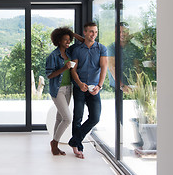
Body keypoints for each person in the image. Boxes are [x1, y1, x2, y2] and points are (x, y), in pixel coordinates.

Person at [68, 22, 108, 159]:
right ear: (85, 32)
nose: (94, 34)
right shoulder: (77, 50)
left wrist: (99, 86)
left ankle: (75, 139)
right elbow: (73, 69)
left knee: (95, 117)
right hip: (80, 87)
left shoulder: (102, 49)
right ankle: (77, 147)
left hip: (94, 88)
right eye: (91, 31)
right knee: (77, 116)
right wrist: (79, 83)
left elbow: (104, 68)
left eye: (96, 32)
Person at [45, 27, 84, 156]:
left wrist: (71, 33)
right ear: (58, 40)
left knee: (60, 117)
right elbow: (49, 75)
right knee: (67, 119)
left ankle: (54, 144)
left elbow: (83, 41)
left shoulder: (70, 53)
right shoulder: (53, 55)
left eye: (69, 40)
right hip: (58, 90)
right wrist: (64, 68)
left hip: (68, 88)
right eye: (65, 39)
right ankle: (54, 143)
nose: (68, 42)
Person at [107, 22, 143, 93]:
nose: (122, 34)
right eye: (119, 32)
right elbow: (112, 67)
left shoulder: (134, 48)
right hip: (116, 87)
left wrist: (139, 84)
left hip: (131, 86)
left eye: (124, 32)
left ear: (128, 32)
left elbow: (137, 67)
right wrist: (122, 86)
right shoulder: (111, 48)